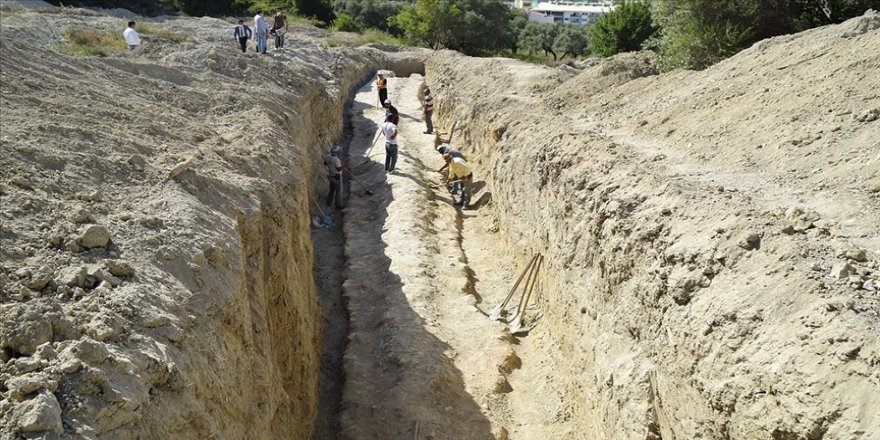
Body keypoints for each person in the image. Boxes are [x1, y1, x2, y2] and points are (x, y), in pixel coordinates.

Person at [325, 145, 345, 210]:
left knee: (332, 190)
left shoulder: (327, 156)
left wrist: (330, 165)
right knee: (338, 191)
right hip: (336, 177)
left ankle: (328, 203)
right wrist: (344, 166)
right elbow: (339, 169)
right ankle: (338, 205)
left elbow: (325, 163)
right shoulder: (336, 160)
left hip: (330, 176)